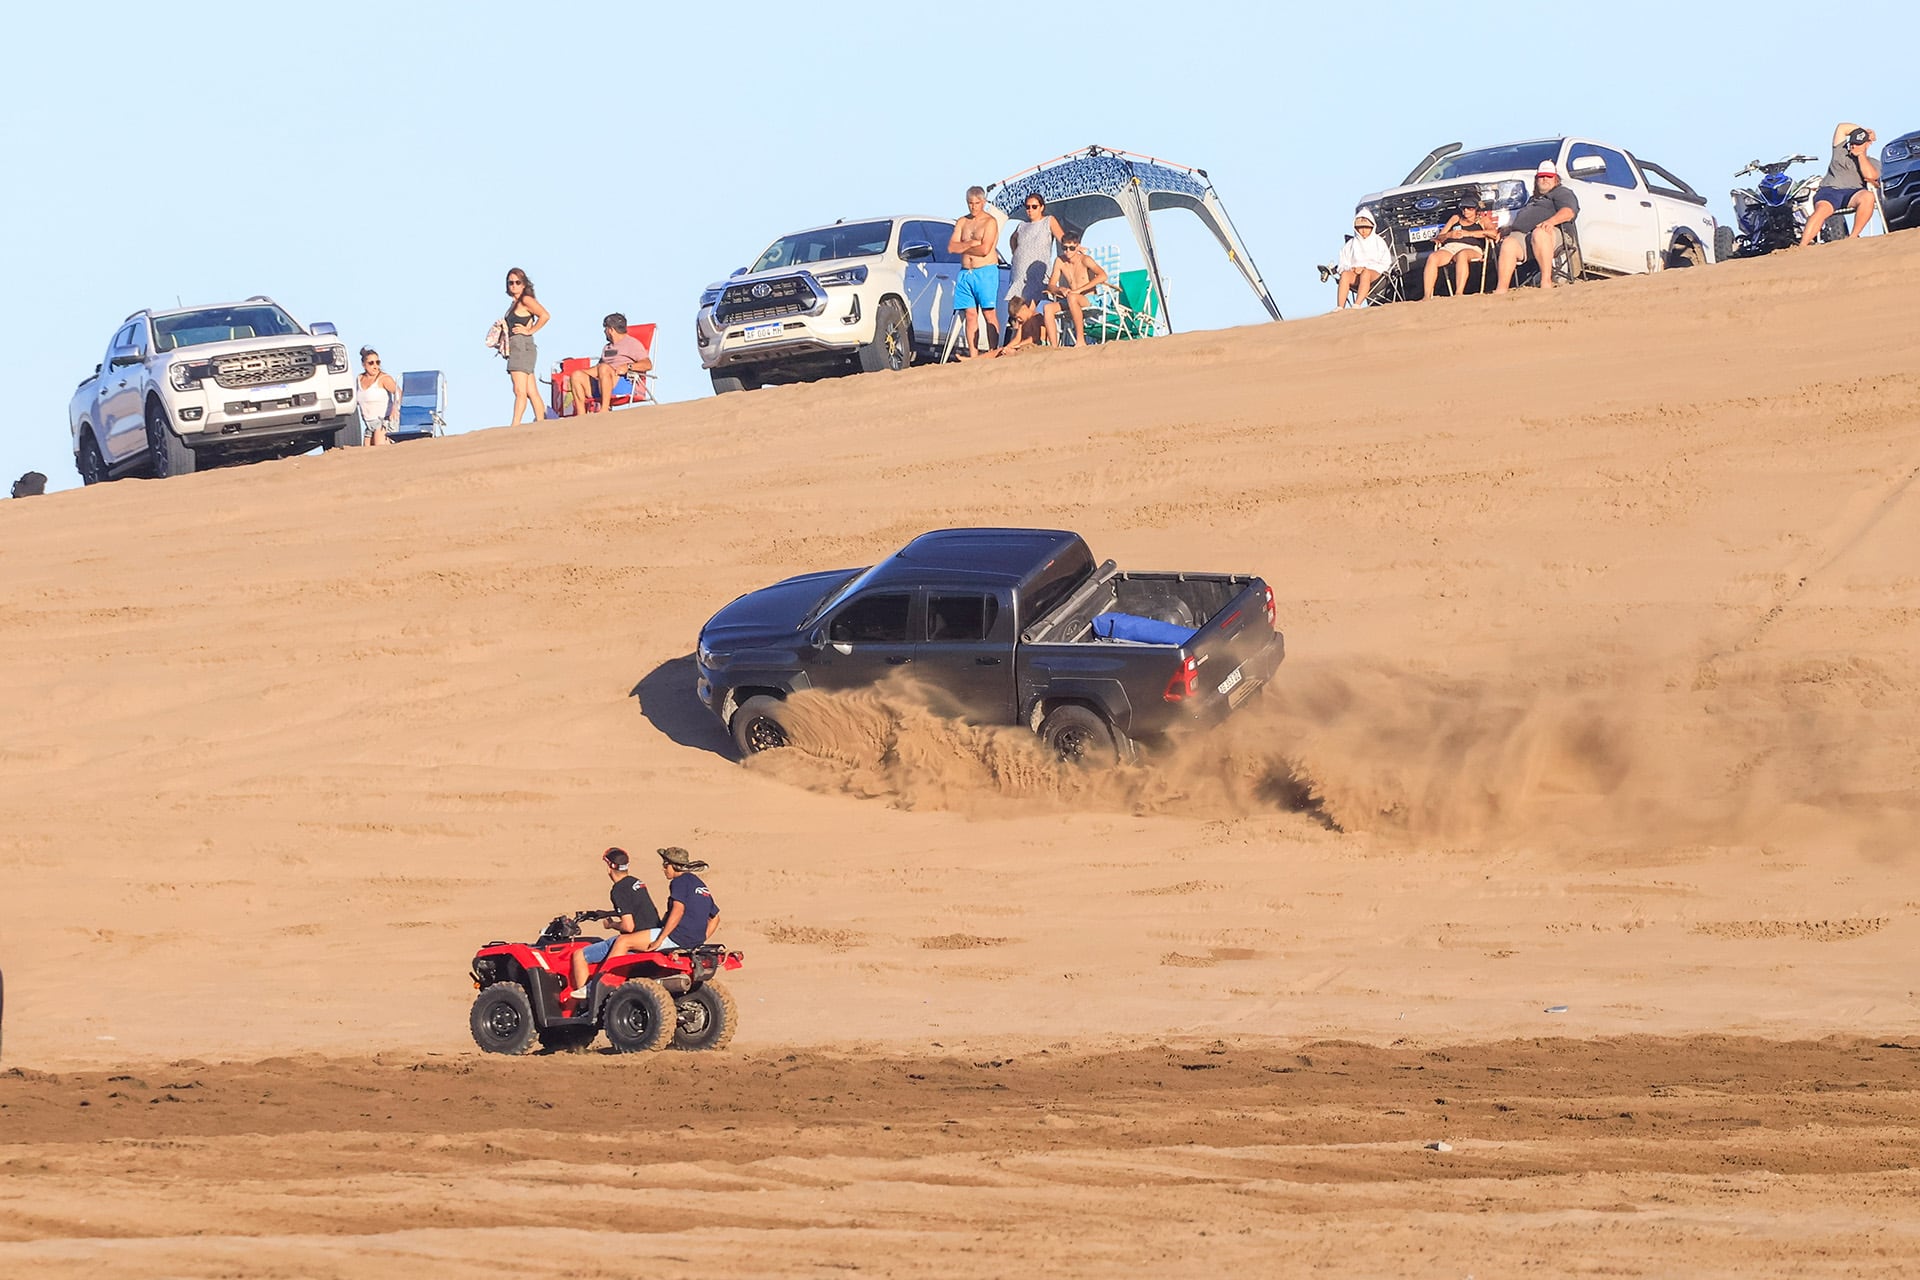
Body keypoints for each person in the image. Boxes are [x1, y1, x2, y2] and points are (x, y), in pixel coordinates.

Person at [567, 847, 662, 999]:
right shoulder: (637, 882)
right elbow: (638, 908)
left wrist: (612, 925)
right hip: (654, 935)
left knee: (579, 955)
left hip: (635, 940)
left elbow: (628, 926)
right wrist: (608, 913)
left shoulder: (618, 889)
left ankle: (588, 998)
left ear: (610, 867)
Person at [1493, 161, 1579, 293]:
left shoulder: (1562, 192)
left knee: (1539, 233)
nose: (1544, 179)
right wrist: (1508, 229)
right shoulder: (1533, 199)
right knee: (1509, 243)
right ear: (1536, 179)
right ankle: (1501, 289)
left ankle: (1546, 281)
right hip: (1527, 236)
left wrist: (1551, 221)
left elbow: (1569, 212)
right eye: (1541, 176)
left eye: (1548, 176)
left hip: (1554, 234)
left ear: (1555, 178)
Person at [1800, 124, 1880, 245]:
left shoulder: (1872, 162)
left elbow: (1871, 176)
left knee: (1868, 197)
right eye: (1852, 142)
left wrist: (1861, 155)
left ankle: (1853, 237)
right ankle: (1803, 245)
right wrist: (1863, 131)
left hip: (1854, 193)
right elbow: (1841, 128)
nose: (1853, 146)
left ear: (1866, 144)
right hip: (1830, 190)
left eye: (1858, 143)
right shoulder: (1840, 153)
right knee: (1822, 210)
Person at [947, 187, 1002, 357]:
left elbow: (985, 249)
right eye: (970, 203)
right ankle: (973, 354)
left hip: (985, 271)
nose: (974, 207)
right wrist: (971, 244)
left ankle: (993, 351)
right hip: (965, 273)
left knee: (988, 312)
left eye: (977, 203)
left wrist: (963, 247)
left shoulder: (989, 222)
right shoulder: (962, 221)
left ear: (983, 202)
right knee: (970, 314)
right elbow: (951, 247)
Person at [566, 314, 653, 415]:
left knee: (604, 368)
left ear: (610, 330)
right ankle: (581, 415)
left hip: (621, 381)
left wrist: (628, 366)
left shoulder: (632, 344)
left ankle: (604, 409)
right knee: (576, 375)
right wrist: (580, 373)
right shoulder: (607, 347)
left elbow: (648, 364)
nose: (604, 332)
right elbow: (598, 369)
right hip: (602, 380)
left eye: (605, 329)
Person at [1007, 194, 1065, 339]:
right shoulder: (1022, 225)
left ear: (1041, 207)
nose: (1030, 210)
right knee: (1018, 309)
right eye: (1027, 207)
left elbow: (1062, 238)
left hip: (1038, 271)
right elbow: (1012, 238)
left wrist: (1075, 248)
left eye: (1034, 207)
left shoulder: (1048, 221)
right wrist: (1016, 253)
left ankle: (1030, 339)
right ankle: (1020, 339)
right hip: (1020, 272)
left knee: (1032, 307)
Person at [1421, 196, 1497, 299]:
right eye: (1463, 208)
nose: (1466, 211)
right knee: (1433, 257)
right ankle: (1427, 295)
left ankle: (1458, 293)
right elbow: (1438, 238)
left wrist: (1469, 234)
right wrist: (1449, 235)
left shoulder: (1482, 220)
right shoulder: (1455, 218)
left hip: (1471, 248)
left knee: (1462, 254)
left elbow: (1493, 233)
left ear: (1476, 209)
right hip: (1450, 247)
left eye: (1469, 208)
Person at [502, 268, 549, 425]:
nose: (514, 286)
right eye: (511, 283)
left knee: (519, 390)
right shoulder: (515, 303)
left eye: (517, 282)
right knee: (530, 391)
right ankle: (542, 421)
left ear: (524, 284)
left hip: (521, 345)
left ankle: (515, 425)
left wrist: (530, 330)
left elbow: (545, 315)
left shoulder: (526, 300)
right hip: (520, 346)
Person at [652, 846, 720, 952]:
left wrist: (660, 939)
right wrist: (699, 941)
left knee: (624, 941)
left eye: (665, 865)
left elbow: (678, 910)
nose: (663, 869)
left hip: (677, 938)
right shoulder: (697, 882)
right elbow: (715, 918)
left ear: (674, 865)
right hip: (692, 943)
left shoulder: (679, 881)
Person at [1044, 234, 1108, 345]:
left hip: (1088, 298)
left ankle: (1080, 340)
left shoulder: (1085, 260)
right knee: (1048, 308)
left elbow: (1103, 275)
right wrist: (1060, 289)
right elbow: (1050, 286)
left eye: (1071, 248)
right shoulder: (1060, 261)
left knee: (1072, 297)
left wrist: (1080, 290)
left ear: (1077, 247)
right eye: (1064, 248)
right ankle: (1054, 347)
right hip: (1070, 298)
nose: (1067, 251)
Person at [1335, 209, 1393, 308]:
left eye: (1366, 227)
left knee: (1365, 273)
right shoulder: (1350, 244)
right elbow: (1342, 264)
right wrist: (1351, 268)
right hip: (1355, 274)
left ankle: (1357, 304)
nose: (1363, 230)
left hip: (1376, 274)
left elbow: (1386, 262)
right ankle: (1340, 307)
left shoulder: (1378, 241)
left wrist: (1365, 268)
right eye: (1360, 227)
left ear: (1372, 227)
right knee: (1344, 275)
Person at [355, 348, 400, 446]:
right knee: (366, 454)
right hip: (369, 424)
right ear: (364, 365)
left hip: (383, 422)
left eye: (377, 362)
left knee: (379, 451)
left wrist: (395, 408)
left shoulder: (384, 378)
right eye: (371, 363)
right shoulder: (359, 379)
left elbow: (399, 393)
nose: (375, 366)